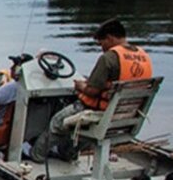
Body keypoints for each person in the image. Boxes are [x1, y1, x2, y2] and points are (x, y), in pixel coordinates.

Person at [31, 18, 152, 162]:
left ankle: (35, 157)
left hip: (99, 113)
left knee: (57, 122)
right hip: (127, 115)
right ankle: (68, 154)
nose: (102, 47)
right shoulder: (144, 57)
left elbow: (92, 91)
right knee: (75, 127)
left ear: (110, 38)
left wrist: (80, 86)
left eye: (102, 43)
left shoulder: (109, 58)